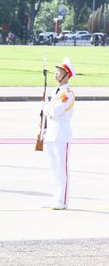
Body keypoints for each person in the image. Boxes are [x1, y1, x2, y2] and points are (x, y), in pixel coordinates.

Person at [43, 58, 75, 210]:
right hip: (52, 133)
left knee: (62, 168)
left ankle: (63, 201)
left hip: (62, 134)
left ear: (66, 75)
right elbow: (49, 112)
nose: (55, 74)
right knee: (53, 168)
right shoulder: (56, 92)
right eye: (56, 71)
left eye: (59, 72)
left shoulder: (67, 93)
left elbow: (55, 111)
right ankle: (56, 197)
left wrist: (47, 108)